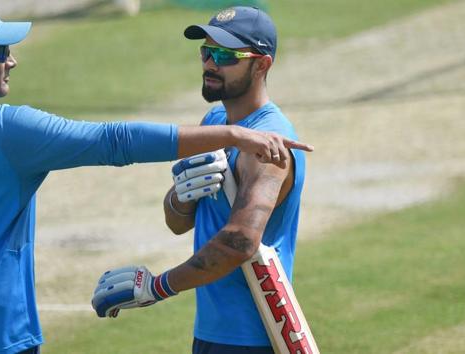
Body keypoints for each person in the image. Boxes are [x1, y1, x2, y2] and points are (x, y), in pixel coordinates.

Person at [0, 3, 314, 354]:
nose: (13, 60)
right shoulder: (4, 131)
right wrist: (222, 146)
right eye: (1, 52)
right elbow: (113, 141)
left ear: (262, 64)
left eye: (225, 54)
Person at [92, 6, 307, 354]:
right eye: (206, 52)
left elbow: (239, 241)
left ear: (262, 64)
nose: (210, 64)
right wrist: (181, 197)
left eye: (225, 55)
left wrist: (157, 287)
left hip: (252, 336)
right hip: (212, 331)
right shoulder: (217, 119)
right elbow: (178, 223)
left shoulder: (269, 144)